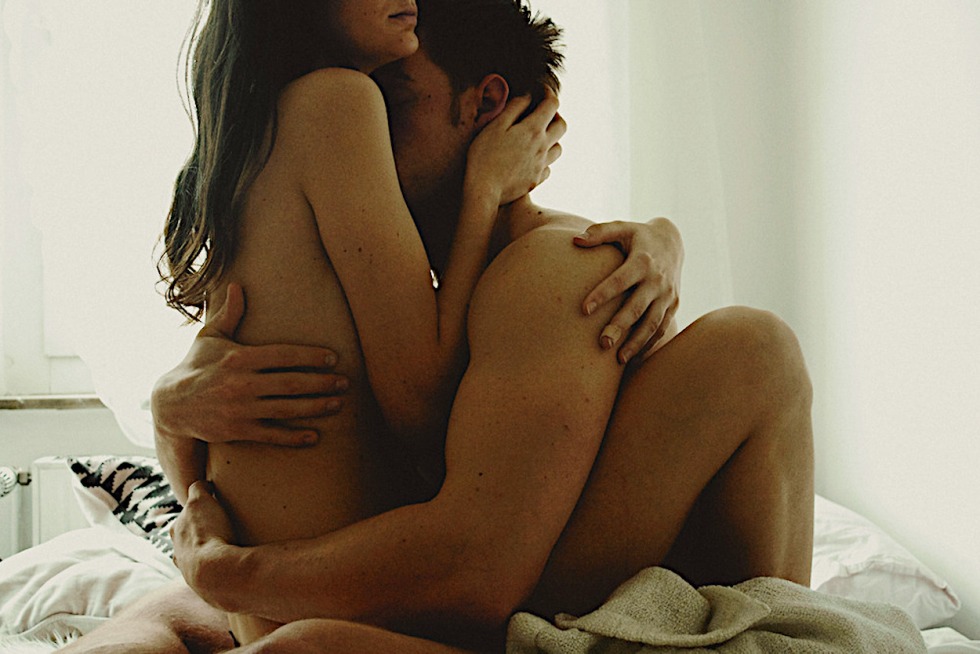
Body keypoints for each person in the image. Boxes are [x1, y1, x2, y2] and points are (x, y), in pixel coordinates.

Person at [62, 1, 813, 652]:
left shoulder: (556, 269)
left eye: (394, 103)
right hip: (400, 589)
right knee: (153, 621)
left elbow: (475, 569)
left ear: (486, 106)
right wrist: (171, 408)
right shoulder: (411, 280)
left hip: (483, 595)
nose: (369, 150)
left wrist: (234, 574)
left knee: (750, 345)